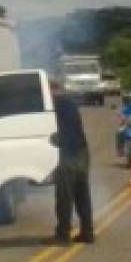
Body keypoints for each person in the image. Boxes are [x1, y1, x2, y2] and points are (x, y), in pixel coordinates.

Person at [49, 77, 95, 244]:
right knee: (82, 195)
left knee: (64, 196)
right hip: (82, 153)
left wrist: (53, 140)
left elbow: (62, 133)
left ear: (51, 89)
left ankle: (63, 234)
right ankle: (87, 232)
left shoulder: (58, 104)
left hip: (69, 155)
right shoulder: (70, 103)